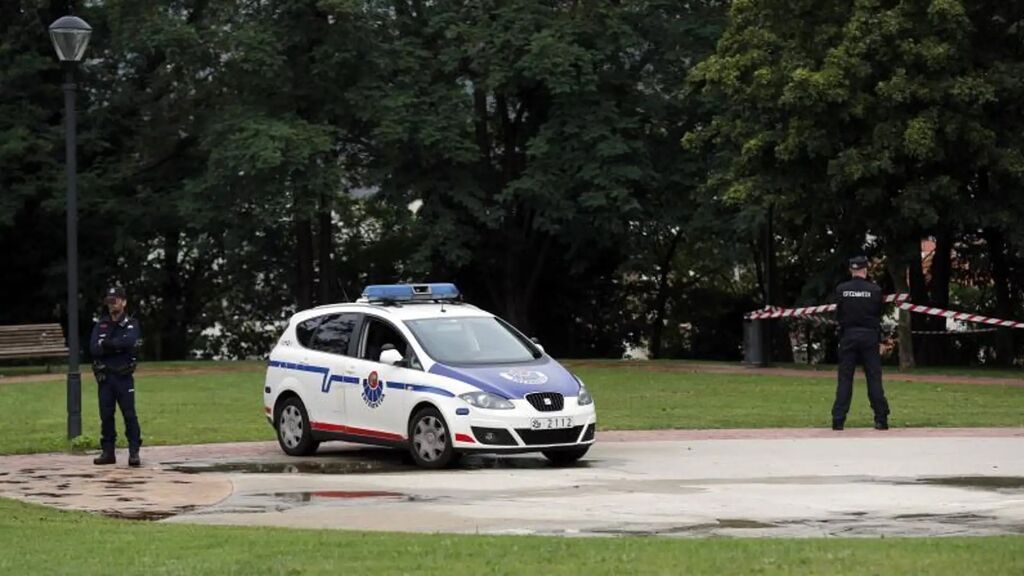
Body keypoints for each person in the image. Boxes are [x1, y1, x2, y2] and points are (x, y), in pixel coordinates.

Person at [832, 256, 890, 431]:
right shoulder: (875, 290)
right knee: (873, 378)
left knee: (845, 379)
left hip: (848, 336)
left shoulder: (842, 289)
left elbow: (839, 314)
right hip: (869, 337)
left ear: (851, 270)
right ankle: (881, 419)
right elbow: (878, 314)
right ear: (865, 270)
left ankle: (838, 419)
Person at [89, 286, 143, 466]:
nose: (112, 304)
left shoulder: (131, 323)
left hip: (123, 376)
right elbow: (94, 349)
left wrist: (107, 345)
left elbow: (130, 342)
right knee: (106, 415)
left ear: (124, 302)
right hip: (105, 377)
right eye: (109, 301)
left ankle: (134, 451)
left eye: (116, 300)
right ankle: (108, 451)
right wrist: (114, 346)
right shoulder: (102, 324)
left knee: (129, 414)